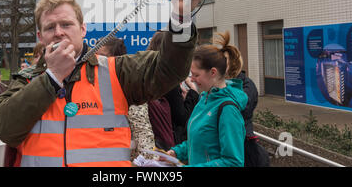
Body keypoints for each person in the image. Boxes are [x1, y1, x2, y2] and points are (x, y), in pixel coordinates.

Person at [0, 0, 201, 167]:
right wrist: (52, 78)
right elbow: (5, 128)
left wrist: (181, 19)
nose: (59, 33)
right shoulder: (25, 81)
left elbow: (170, 68)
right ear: (40, 36)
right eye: (50, 27)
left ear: (83, 30)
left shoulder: (116, 71)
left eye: (66, 24)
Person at [167, 31, 248, 167]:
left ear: (213, 72)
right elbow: (198, 141)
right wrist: (176, 153)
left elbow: (233, 162)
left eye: (196, 74)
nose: (191, 79)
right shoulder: (204, 99)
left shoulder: (228, 109)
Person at [96, 37, 156, 162]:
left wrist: (145, 165)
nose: (95, 60)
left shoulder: (128, 88)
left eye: (101, 56)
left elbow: (143, 133)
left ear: (117, 60)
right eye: (93, 55)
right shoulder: (93, 85)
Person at [147, 31, 200, 148]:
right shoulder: (169, 79)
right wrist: (193, 93)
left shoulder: (147, 72)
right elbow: (181, 117)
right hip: (168, 141)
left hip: (149, 136)